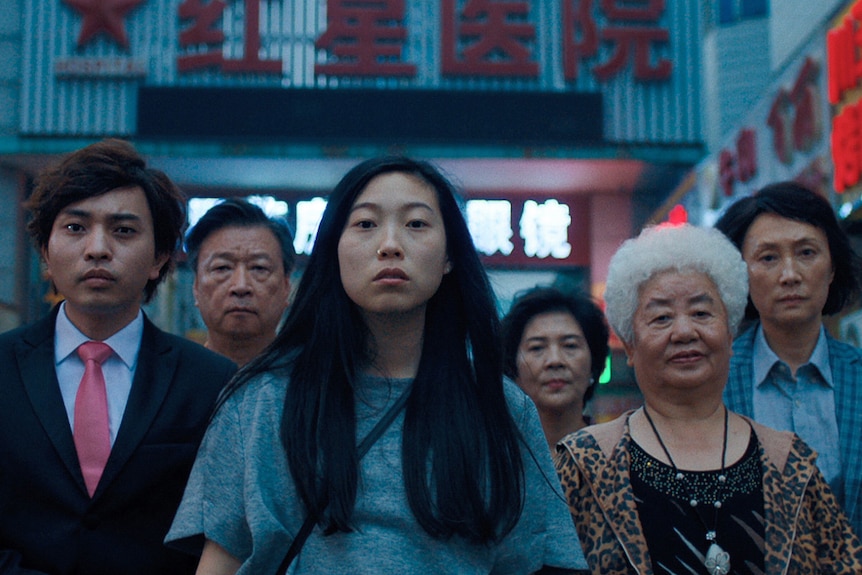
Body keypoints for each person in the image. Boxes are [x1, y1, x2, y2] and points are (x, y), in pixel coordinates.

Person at [166, 156, 588, 574]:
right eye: (366, 224)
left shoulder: (503, 409)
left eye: (416, 224)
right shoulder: (258, 401)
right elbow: (223, 558)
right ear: (334, 250)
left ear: (448, 257)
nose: (390, 244)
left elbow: (530, 563)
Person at [555, 224, 862, 574]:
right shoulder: (584, 464)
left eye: (702, 313)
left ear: (730, 334)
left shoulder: (791, 461)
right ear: (629, 345)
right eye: (661, 317)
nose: (685, 331)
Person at [0, 139, 236, 575]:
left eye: (123, 230)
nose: (97, 249)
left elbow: (222, 530)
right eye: (75, 228)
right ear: (45, 253)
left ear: (159, 258)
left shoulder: (211, 381)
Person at [714, 181, 862, 535]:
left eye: (807, 253)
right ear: (740, 274)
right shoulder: (713, 382)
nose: (790, 275)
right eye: (768, 257)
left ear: (831, 269)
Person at [185, 198, 295, 366]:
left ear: (286, 287)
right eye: (222, 268)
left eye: (259, 268)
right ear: (196, 288)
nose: (241, 286)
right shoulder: (170, 383)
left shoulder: (317, 383)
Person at [501, 286, 609, 450]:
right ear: (512, 366)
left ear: (594, 363)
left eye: (570, 346)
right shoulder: (492, 458)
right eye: (537, 348)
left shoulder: (617, 454)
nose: (555, 360)